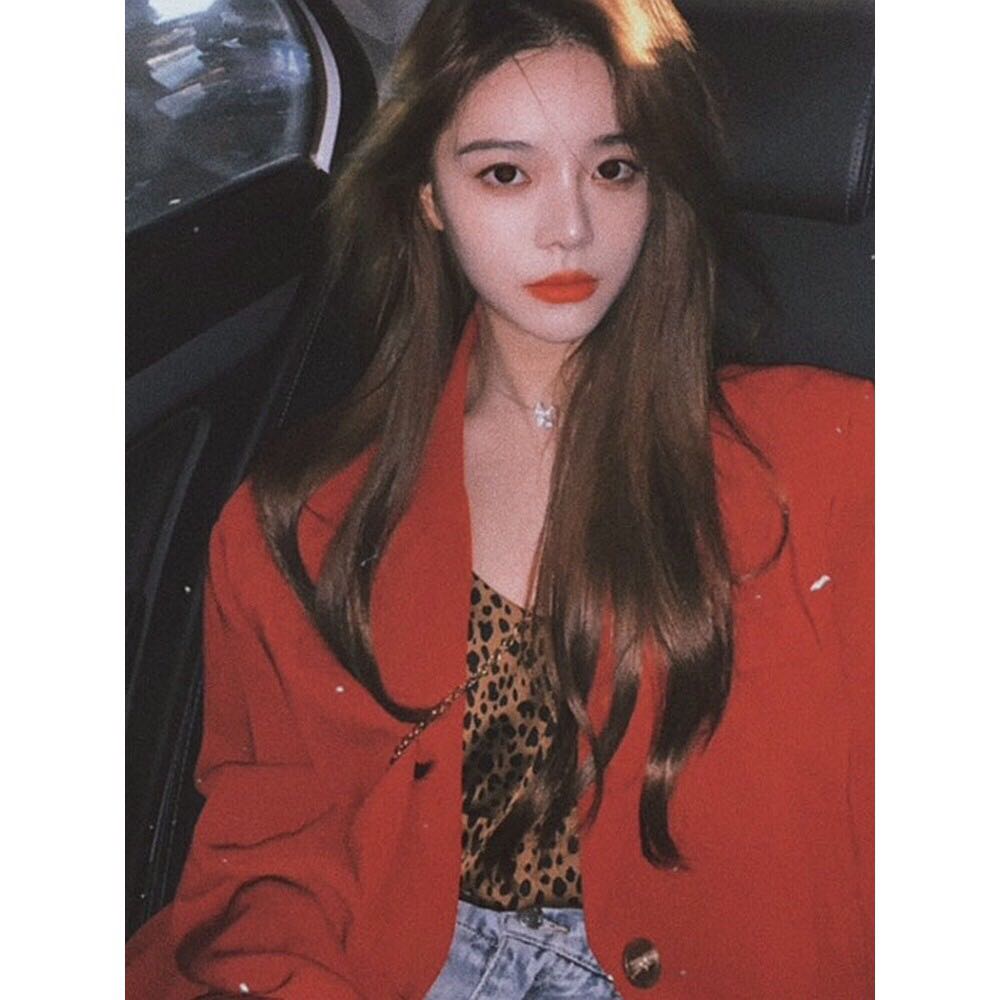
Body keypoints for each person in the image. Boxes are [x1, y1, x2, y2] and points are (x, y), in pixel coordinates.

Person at [125, 0, 873, 996]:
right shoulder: (305, 519)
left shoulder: (839, 459)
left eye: (613, 168)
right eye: (505, 174)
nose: (570, 228)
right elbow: (273, 863)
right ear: (428, 197)